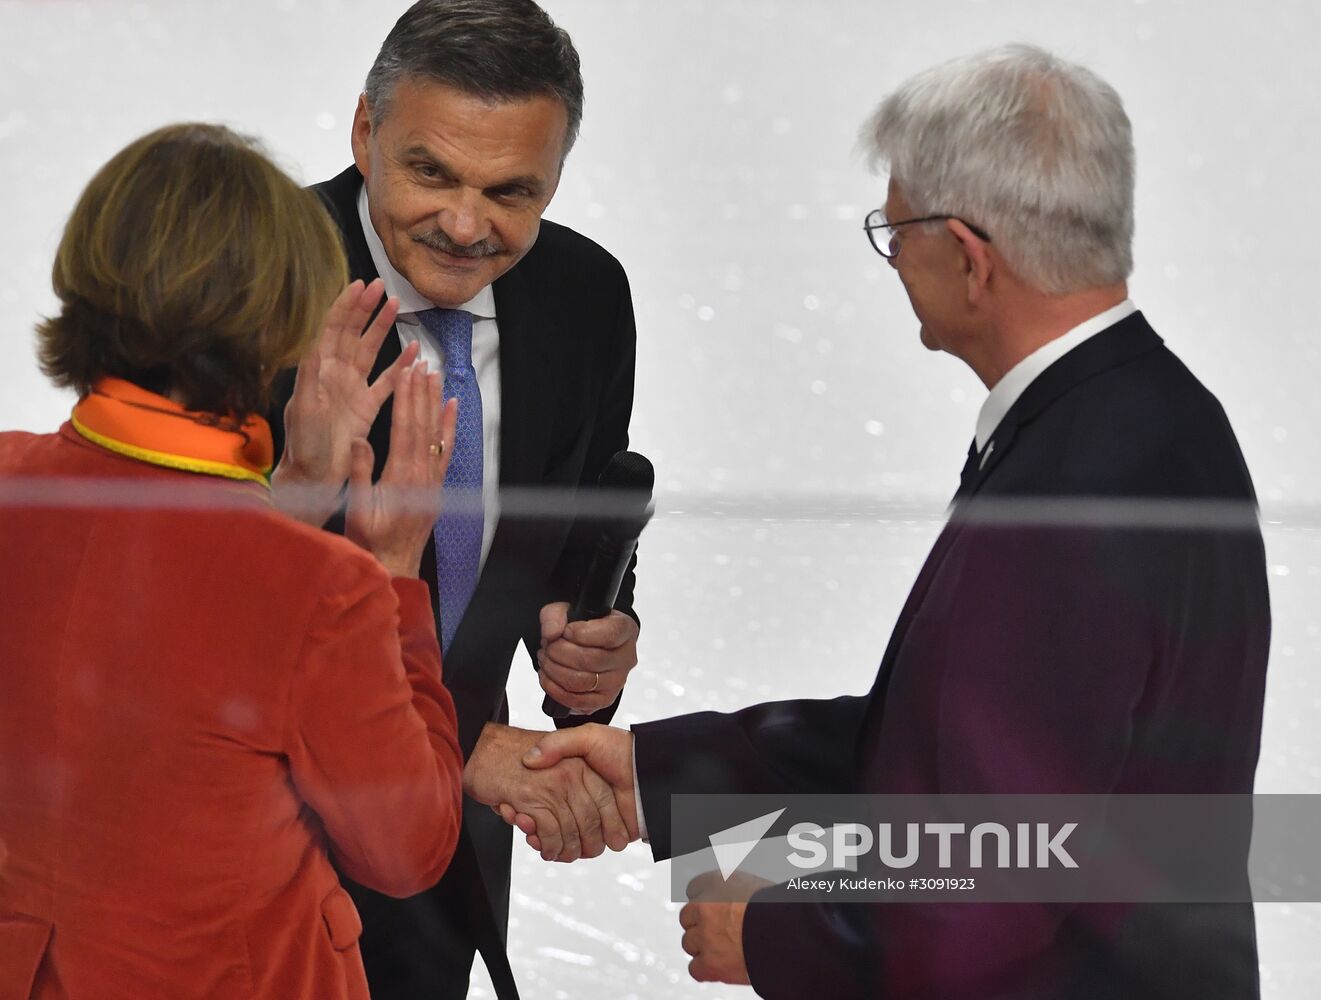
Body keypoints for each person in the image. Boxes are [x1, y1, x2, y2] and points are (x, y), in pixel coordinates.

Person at [516, 44, 1272, 999]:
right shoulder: (1148, 416)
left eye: (896, 226)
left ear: (966, 254)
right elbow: (969, 749)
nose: (893, 255)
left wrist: (775, 933)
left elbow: (1003, 870)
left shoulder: (1077, 483)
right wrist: (653, 773)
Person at [0, 123, 466, 999]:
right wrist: (396, 574)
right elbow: (405, 850)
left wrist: (287, 491)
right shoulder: (323, 589)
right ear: (279, 322)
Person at [264, 2, 644, 997]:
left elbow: (580, 522)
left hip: (444, 851)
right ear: (364, 132)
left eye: (511, 190)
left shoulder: (585, 294)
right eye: (432, 171)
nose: (467, 224)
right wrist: (455, 746)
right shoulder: (253, 277)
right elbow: (172, 608)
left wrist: (587, 649)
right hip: (250, 836)